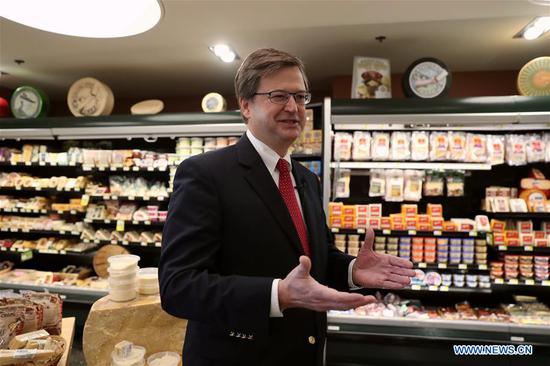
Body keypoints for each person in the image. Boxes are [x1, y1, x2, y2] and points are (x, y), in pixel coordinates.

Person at [159, 48, 416, 366]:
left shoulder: (307, 179)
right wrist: (276, 294)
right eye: (278, 95)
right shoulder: (204, 173)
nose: (293, 107)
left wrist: (351, 270)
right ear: (245, 105)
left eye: (300, 96)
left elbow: (312, 258)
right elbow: (178, 286)